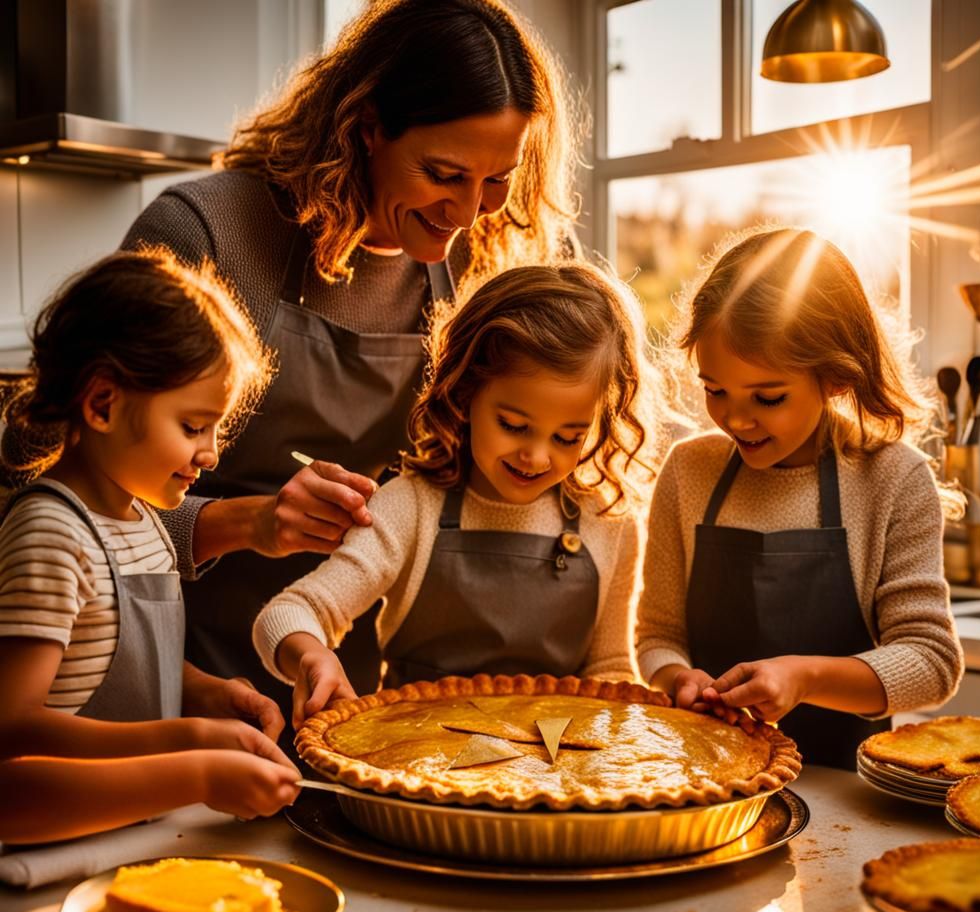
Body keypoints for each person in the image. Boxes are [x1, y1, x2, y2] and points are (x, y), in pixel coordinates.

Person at [120, 0, 583, 704]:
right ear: (364, 128)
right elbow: (62, 494)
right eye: (443, 173)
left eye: (497, 180)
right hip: (177, 671)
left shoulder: (495, 259)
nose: (467, 213)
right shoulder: (208, 236)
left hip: (370, 685)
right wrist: (246, 522)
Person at [252, 263, 654, 728]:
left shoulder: (608, 520)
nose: (537, 456)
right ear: (465, 394)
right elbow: (286, 613)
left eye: (568, 437)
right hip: (412, 765)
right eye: (514, 426)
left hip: (556, 780)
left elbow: (610, 668)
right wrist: (311, 657)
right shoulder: (411, 507)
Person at [636, 228, 964, 771]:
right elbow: (658, 635)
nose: (736, 419)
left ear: (835, 377)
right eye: (715, 389)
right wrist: (677, 677)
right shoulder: (689, 471)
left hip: (848, 790)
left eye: (768, 397)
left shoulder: (891, 478)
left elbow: (931, 661)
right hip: (707, 782)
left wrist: (804, 677)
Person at [0, 249, 299, 840]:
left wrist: (207, 694)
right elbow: (11, 729)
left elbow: (100, 662)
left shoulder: (141, 518)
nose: (210, 453)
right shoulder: (52, 535)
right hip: (54, 852)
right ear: (103, 404)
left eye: (216, 427)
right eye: (192, 427)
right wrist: (189, 751)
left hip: (137, 834)